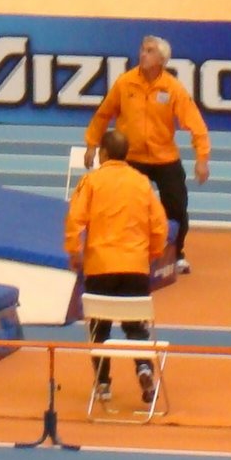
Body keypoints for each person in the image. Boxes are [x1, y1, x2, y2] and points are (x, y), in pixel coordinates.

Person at [83, 36, 209, 276]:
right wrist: (91, 144)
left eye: (149, 51)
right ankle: (120, 252)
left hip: (164, 157)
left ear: (162, 59)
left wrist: (202, 158)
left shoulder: (172, 88)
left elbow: (196, 124)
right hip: (130, 157)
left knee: (176, 206)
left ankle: (176, 254)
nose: (143, 54)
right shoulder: (125, 83)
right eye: (142, 49)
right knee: (123, 206)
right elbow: (103, 115)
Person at [65, 129, 168, 403]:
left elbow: (75, 219)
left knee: (100, 328)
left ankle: (103, 384)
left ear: (104, 153)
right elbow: (159, 224)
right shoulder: (142, 183)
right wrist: (154, 253)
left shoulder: (91, 182)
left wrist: (74, 250)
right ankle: (144, 368)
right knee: (136, 326)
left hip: (100, 267)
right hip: (135, 267)